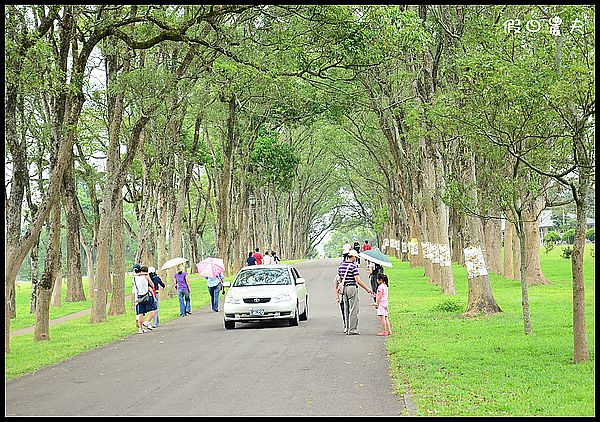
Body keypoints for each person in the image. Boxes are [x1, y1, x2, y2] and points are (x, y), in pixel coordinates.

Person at [336, 249, 373, 335]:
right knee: (353, 309)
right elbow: (357, 280)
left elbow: (339, 279)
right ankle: (352, 329)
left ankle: (347, 328)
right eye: (355, 257)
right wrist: (367, 288)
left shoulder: (341, 266)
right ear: (352, 257)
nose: (356, 259)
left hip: (344, 288)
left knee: (346, 309)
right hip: (351, 288)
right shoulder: (353, 266)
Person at [132, 265, 157, 334]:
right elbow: (152, 285)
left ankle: (140, 329)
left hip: (139, 298)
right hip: (146, 296)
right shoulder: (146, 276)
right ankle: (147, 322)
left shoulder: (134, 278)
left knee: (141, 313)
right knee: (154, 310)